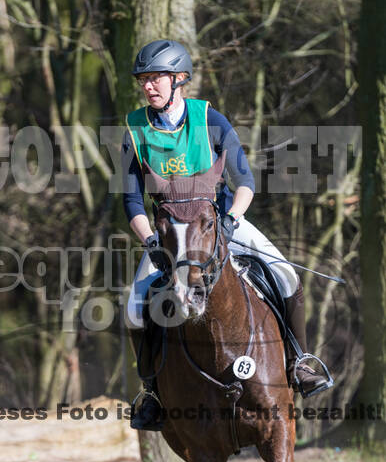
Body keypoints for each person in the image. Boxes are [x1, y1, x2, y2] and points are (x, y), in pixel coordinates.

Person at [121, 39, 331, 431]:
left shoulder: (210, 120)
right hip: (168, 234)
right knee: (134, 308)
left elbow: (245, 181)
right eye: (144, 80)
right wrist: (151, 239)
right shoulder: (135, 129)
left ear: (178, 79)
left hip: (218, 222)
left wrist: (232, 219)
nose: (148, 86)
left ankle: (300, 361)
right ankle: (151, 392)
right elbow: (131, 200)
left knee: (285, 274)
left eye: (156, 78)